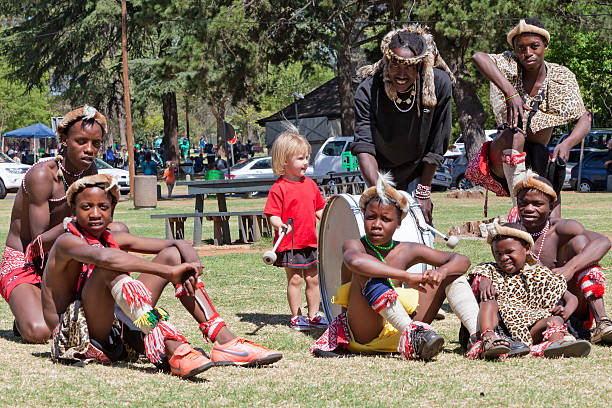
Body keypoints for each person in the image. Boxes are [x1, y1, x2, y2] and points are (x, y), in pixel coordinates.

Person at [41, 174, 282, 375]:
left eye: (103, 207)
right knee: (109, 266)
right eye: (86, 207)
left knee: (173, 255)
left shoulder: (111, 237)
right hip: (77, 335)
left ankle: (224, 341)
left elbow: (176, 244)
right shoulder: (66, 242)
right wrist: (169, 272)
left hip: (114, 329)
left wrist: (191, 265)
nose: (95, 214)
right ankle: (175, 348)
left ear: (112, 210)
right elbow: (103, 259)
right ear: (73, 210)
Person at [311, 173, 476, 360]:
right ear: (363, 217)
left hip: (396, 333)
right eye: (371, 217)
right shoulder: (354, 245)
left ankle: (480, 336)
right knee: (367, 271)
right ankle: (413, 334)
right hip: (363, 334)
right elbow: (355, 262)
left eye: (386, 219)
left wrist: (441, 272)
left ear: (398, 223)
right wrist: (406, 277)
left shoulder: (406, 250)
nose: (376, 225)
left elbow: (462, 260)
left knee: (453, 274)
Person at [1, 105, 105, 343]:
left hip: (61, 259)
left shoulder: (90, 171)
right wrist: (79, 220)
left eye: (96, 144)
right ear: (64, 140)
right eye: (81, 141)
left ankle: (50, 302)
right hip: (25, 262)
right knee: (39, 331)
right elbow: (38, 245)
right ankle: (24, 315)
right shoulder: (42, 176)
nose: (89, 150)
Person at [469, 18, 590, 213]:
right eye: (521, 48)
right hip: (505, 155)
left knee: (553, 218)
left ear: (545, 45)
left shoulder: (561, 76)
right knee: (516, 134)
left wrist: (567, 143)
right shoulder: (510, 65)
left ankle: (544, 235)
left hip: (538, 155)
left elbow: (584, 119)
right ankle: (517, 209)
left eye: (534, 46)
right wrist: (510, 92)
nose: (528, 53)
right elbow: (478, 57)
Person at [351, 25, 454, 224]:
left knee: (419, 225)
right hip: (379, 172)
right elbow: (364, 145)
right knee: (381, 226)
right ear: (386, 61)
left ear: (420, 66)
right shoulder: (368, 90)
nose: (400, 73)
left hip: (418, 170)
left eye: (408, 66)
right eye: (395, 64)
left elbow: (437, 142)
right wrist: (381, 191)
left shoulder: (438, 84)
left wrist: (423, 192)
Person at [505, 170, 612, 344]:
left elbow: (603, 242)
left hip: (571, 306)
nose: (529, 209)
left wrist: (570, 268)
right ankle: (556, 332)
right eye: (523, 203)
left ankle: (602, 322)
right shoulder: (512, 232)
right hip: (532, 309)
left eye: (537, 204)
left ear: (551, 206)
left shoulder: (561, 229)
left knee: (581, 245)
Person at [469, 220, 590, 359]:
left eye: (509, 252)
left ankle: (556, 344)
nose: (504, 258)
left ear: (527, 249)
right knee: (488, 299)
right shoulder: (491, 270)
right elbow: (484, 279)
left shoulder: (540, 275)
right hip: (502, 331)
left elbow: (571, 298)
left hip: (532, 329)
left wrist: (567, 310)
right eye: (498, 253)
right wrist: (486, 287)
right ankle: (488, 339)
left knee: (554, 320)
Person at [264, 127, 328, 330]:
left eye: (307, 157)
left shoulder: (310, 185)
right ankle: (297, 316)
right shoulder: (279, 188)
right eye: (300, 158)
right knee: (295, 280)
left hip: (310, 241)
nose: (306, 162)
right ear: (284, 161)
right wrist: (278, 224)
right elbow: (272, 214)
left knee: (314, 279)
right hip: (290, 245)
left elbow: (320, 210)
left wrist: (331, 221)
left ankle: (314, 314)